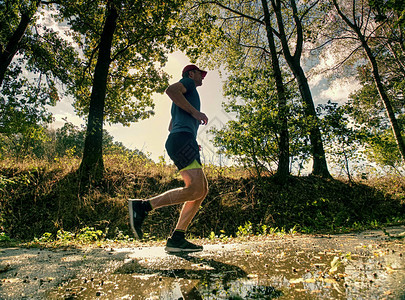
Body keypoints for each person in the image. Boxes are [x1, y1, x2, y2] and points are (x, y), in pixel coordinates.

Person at [128, 64, 209, 253]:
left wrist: (189, 139)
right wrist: (194, 113)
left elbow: (172, 126)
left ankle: (177, 238)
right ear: (191, 73)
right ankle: (143, 207)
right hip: (182, 140)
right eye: (200, 73)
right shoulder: (186, 83)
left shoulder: (185, 98)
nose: (202, 77)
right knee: (195, 189)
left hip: (183, 140)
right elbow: (171, 90)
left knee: (201, 190)